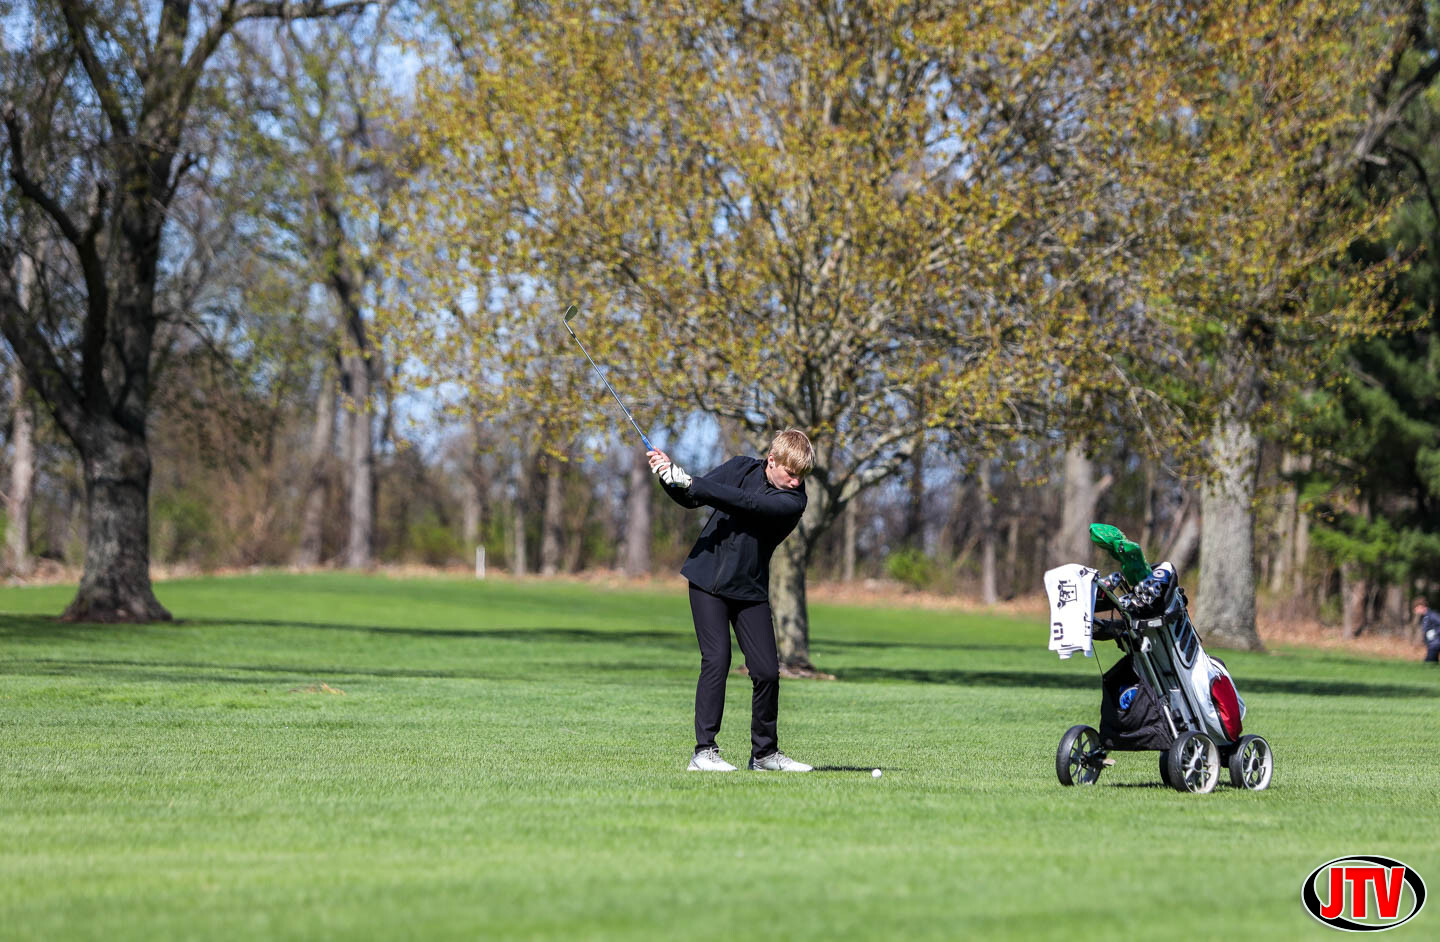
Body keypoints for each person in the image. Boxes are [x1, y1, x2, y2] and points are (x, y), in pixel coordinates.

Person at [648, 428, 815, 772]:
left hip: (749, 590)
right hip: (707, 581)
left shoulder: (793, 502)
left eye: (801, 476)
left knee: (766, 672)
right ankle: (704, 752)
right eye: (791, 473)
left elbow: (748, 503)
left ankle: (764, 755)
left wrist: (691, 481)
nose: (796, 481)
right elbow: (691, 497)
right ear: (772, 460)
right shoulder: (740, 467)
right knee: (717, 660)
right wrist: (668, 476)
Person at [1415, 598, 1440, 664]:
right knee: (1432, 664)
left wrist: (1435, 632)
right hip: (1432, 644)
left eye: (1416, 608)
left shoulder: (1432, 615)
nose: (1415, 610)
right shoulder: (1425, 617)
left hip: (1436, 644)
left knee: (1428, 662)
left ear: (1421, 606)